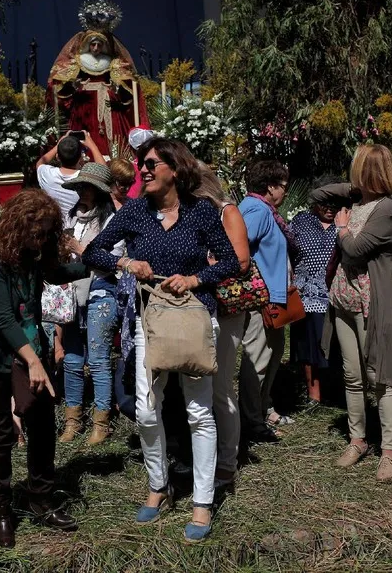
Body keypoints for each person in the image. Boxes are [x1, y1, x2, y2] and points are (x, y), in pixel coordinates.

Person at [84, 137, 241, 543]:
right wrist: (126, 262)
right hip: (148, 321)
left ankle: (202, 501)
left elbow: (230, 263)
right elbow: (93, 253)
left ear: (176, 168)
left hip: (193, 318)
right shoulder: (135, 211)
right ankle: (159, 486)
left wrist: (194, 278)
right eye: (142, 165)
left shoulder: (201, 212)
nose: (145, 171)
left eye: (153, 163)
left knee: (198, 412)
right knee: (147, 411)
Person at [0, 188, 88, 547]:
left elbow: (58, 272)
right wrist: (34, 362)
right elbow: (3, 319)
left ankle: (42, 500)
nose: (40, 240)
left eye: (46, 233)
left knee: (42, 423)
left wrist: (96, 264)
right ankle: (2, 509)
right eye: (36, 233)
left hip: (30, 346)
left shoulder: (37, 253)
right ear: (18, 227)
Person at [313, 145, 392, 480]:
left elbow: (353, 248)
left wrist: (342, 228)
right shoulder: (357, 201)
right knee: (352, 376)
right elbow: (318, 192)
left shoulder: (387, 210)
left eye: (358, 168)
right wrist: (353, 189)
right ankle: (358, 440)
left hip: (371, 305)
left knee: (379, 378)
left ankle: (390, 449)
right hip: (342, 301)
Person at [193, 165, 251, 492]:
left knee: (221, 387)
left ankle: (228, 464)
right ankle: (208, 457)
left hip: (227, 310)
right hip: (202, 308)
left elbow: (241, 260)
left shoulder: (226, 211)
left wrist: (200, 268)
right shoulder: (195, 214)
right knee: (203, 387)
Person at [58, 162, 122, 445]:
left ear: (100, 192)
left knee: (97, 360)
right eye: (80, 187)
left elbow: (113, 259)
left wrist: (80, 250)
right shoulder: (70, 219)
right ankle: (72, 420)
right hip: (72, 295)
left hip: (100, 292)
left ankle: (102, 422)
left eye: (88, 188)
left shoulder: (112, 221)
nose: (82, 192)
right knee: (72, 360)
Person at [46, 0, 149, 159]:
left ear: (104, 46)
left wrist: (117, 89)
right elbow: (59, 82)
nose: (95, 48)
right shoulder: (78, 60)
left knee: (111, 138)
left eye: (99, 45)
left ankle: (115, 159)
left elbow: (128, 86)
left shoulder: (113, 62)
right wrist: (73, 85)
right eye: (93, 44)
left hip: (108, 103)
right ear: (88, 44)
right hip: (84, 103)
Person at [238, 159, 294, 444]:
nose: (285, 191)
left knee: (271, 354)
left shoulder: (264, 210)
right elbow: (239, 247)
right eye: (283, 185)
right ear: (270, 187)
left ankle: (262, 408)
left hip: (274, 297)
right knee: (257, 359)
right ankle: (251, 421)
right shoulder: (256, 210)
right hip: (262, 299)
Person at [289, 177, 343, 405]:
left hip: (337, 295)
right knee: (308, 345)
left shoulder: (346, 223)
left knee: (337, 346)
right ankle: (314, 396)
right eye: (325, 203)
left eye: (335, 203)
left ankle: (338, 392)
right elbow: (287, 252)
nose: (329, 208)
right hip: (306, 296)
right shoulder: (301, 221)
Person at [36, 132, 104, 222]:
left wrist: (58, 146)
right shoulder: (86, 178)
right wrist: (92, 146)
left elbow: (40, 163)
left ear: (57, 157)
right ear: (80, 157)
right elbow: (104, 171)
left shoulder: (47, 174)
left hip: (54, 225)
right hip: (79, 226)